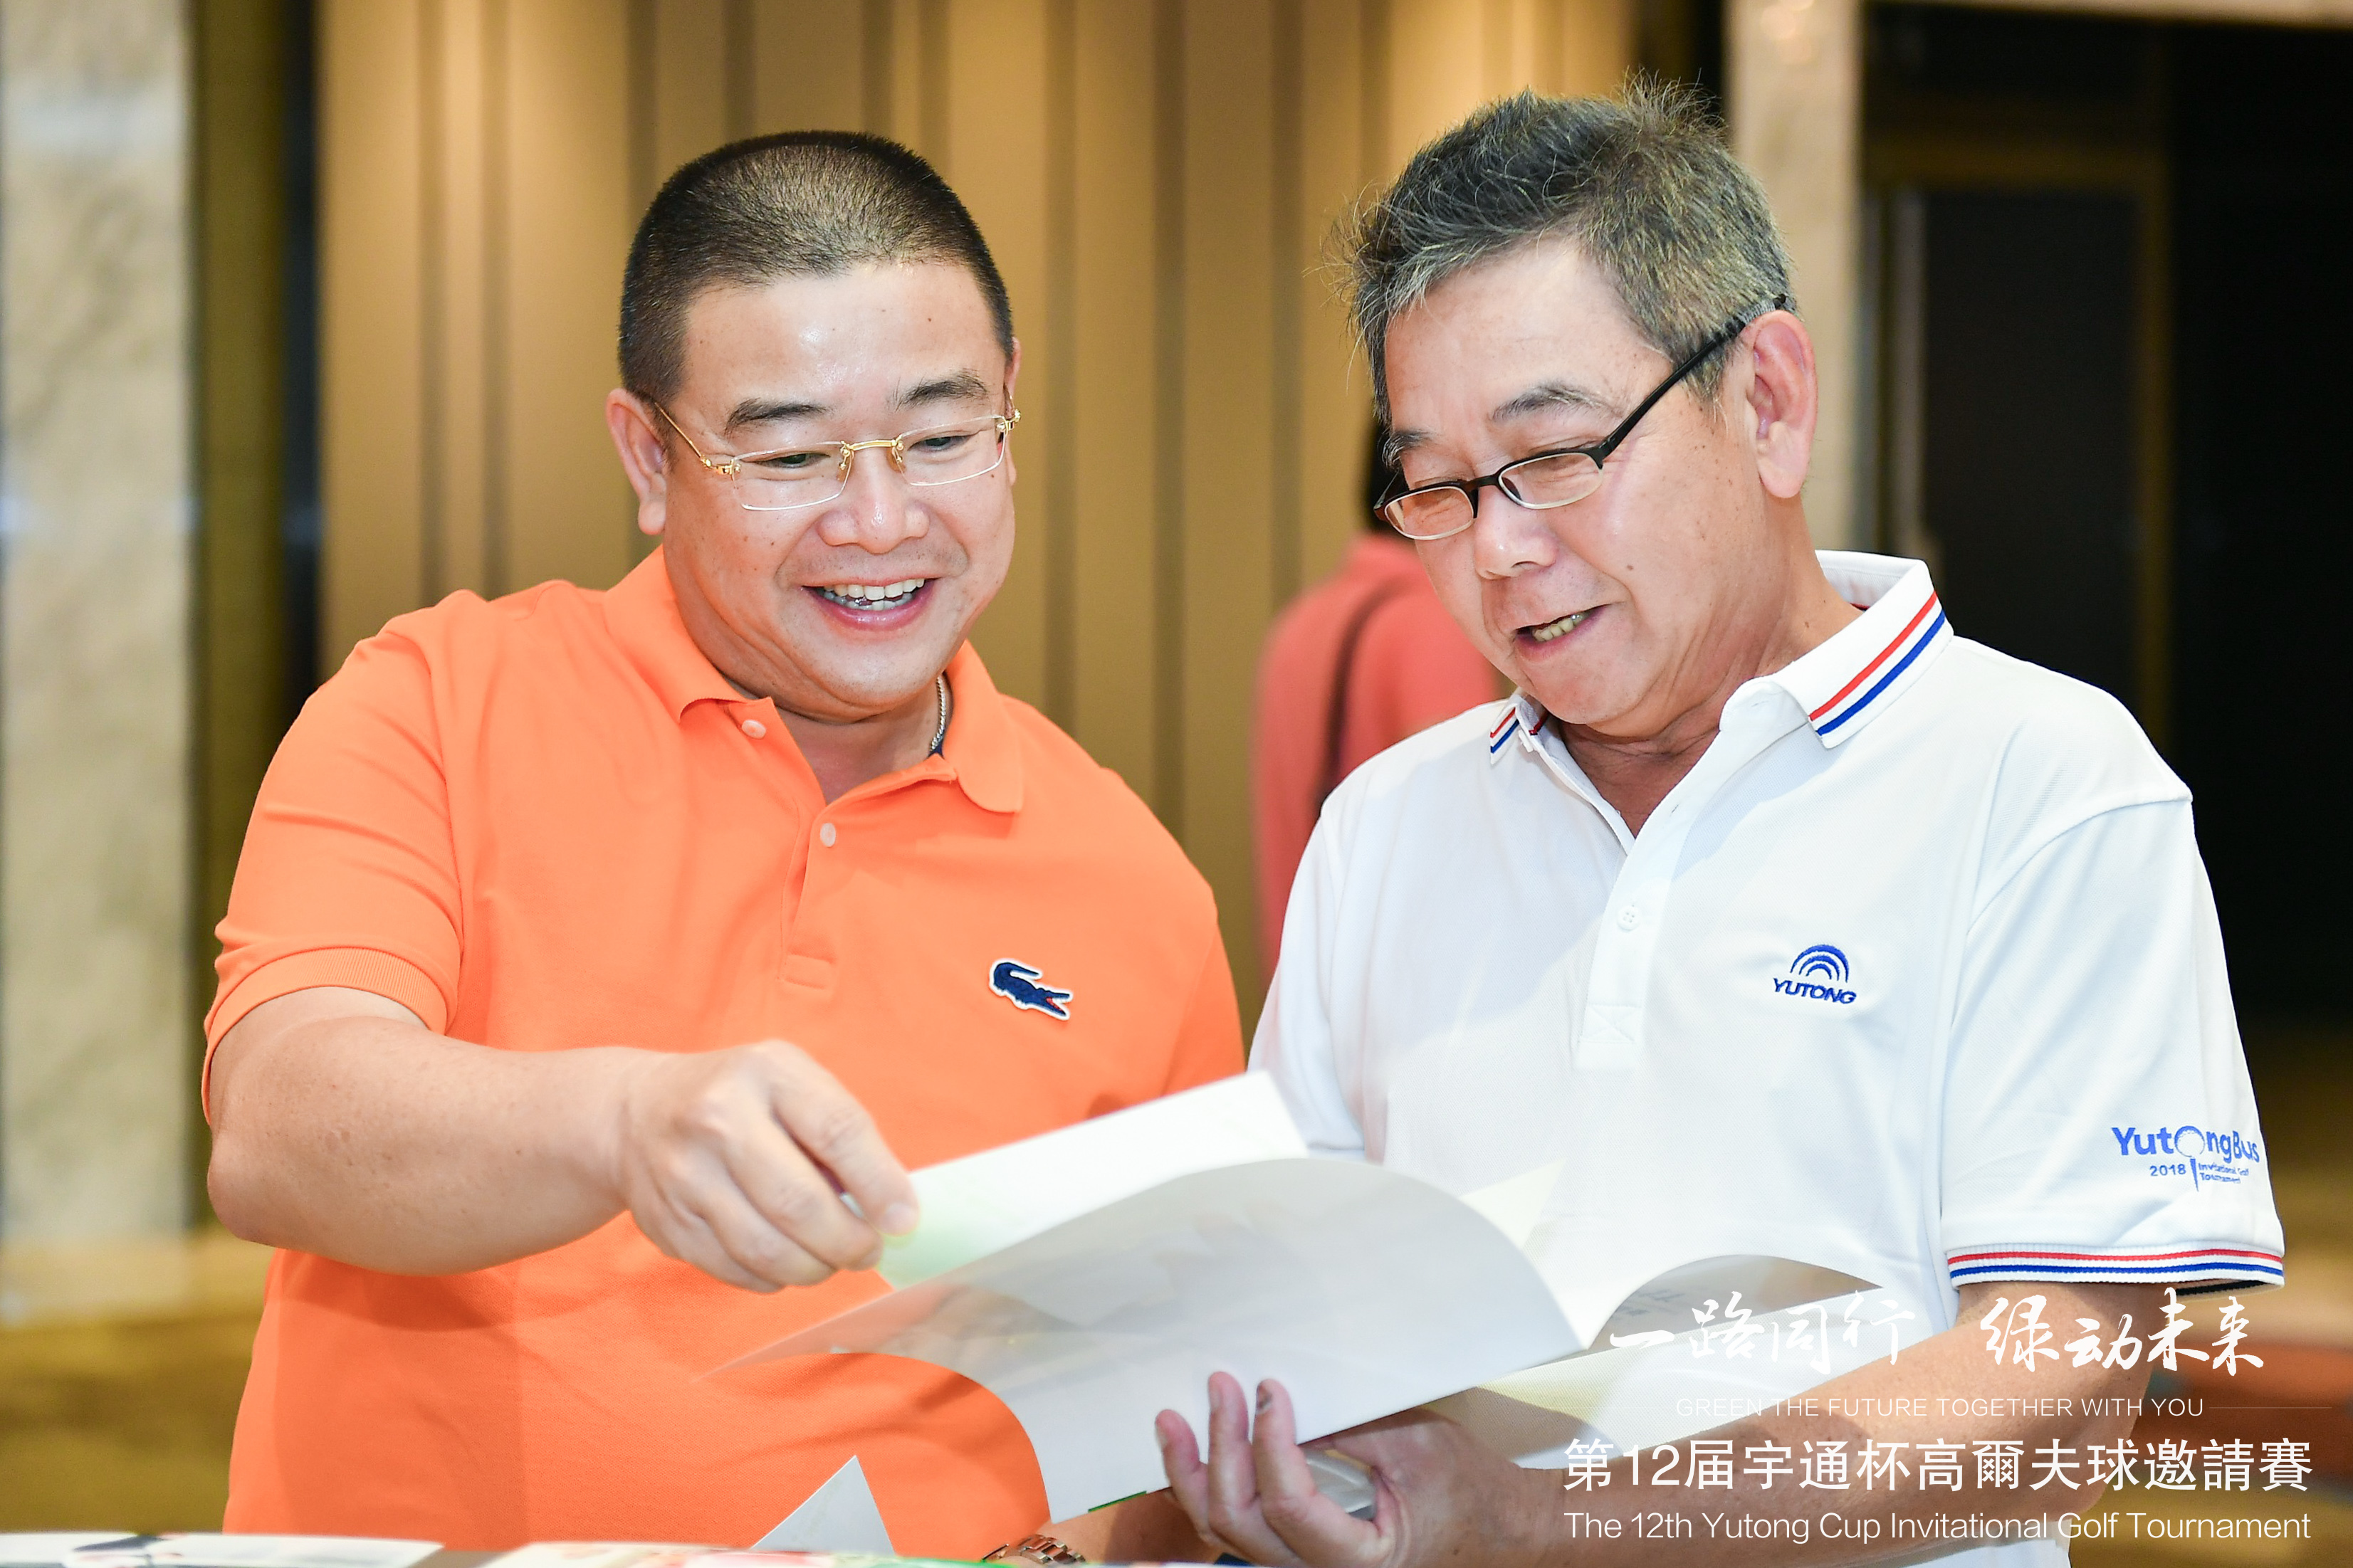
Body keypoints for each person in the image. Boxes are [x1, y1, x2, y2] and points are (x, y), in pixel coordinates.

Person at [1157, 88, 2283, 1567]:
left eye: (1556, 455)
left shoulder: (2043, 784)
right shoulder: (1385, 826)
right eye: (1436, 487)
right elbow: (1301, 1312)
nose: (1499, 548)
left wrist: (1538, 1526)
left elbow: (2059, 1385)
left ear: (1766, 401)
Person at [204, 132, 1240, 1558]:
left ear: (1010, 411)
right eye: (791, 454)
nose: (879, 521)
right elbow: (278, 1128)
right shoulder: (437, 702)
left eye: (943, 438)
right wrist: (624, 1122)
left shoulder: (1133, 882)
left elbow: (1171, 1387)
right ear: (649, 455)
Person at [1251, 429, 1497, 982]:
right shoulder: (1431, 626)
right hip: (1408, 997)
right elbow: (1465, 846)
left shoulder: (1298, 626)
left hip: (1305, 989)